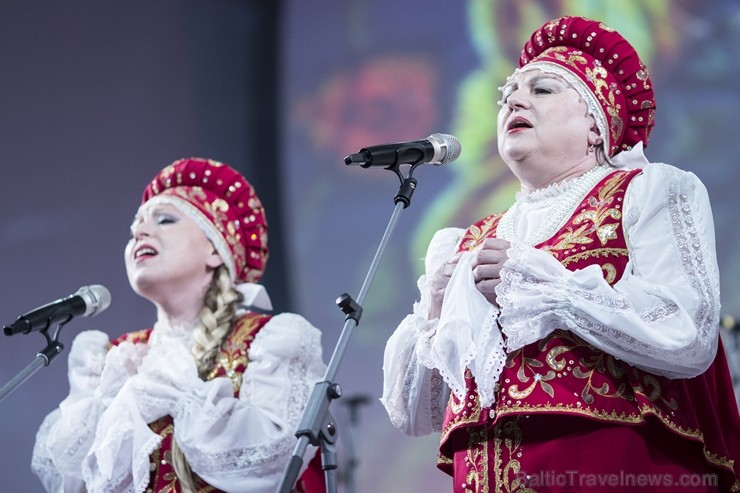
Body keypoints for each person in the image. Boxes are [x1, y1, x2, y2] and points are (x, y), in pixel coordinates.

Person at [381, 16, 740, 492]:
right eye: (506, 93)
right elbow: (416, 415)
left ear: (597, 123)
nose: (513, 99)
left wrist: (551, 287)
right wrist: (434, 310)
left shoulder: (646, 190)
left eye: (543, 89)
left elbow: (687, 333)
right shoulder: (465, 240)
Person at [31, 157, 327, 492]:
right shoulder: (113, 358)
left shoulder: (269, 340)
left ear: (215, 251)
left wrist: (183, 390)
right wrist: (105, 396)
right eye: (134, 229)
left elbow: (276, 460)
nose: (140, 231)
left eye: (165, 220)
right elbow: (74, 480)